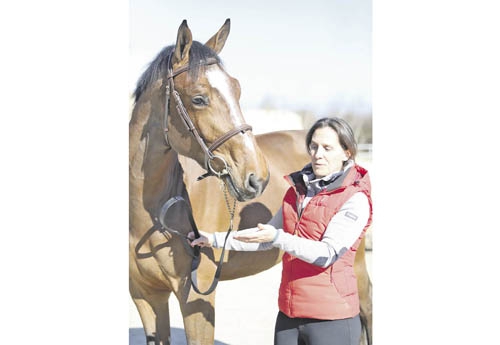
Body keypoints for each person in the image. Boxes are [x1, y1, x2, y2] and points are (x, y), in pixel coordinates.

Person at [188, 117, 373, 345]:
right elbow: (265, 239)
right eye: (313, 146)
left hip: (331, 319)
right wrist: (212, 239)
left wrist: (277, 237)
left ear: (347, 152)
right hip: (289, 315)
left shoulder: (355, 200)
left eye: (327, 148)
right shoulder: (296, 193)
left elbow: (326, 254)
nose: (317, 154)